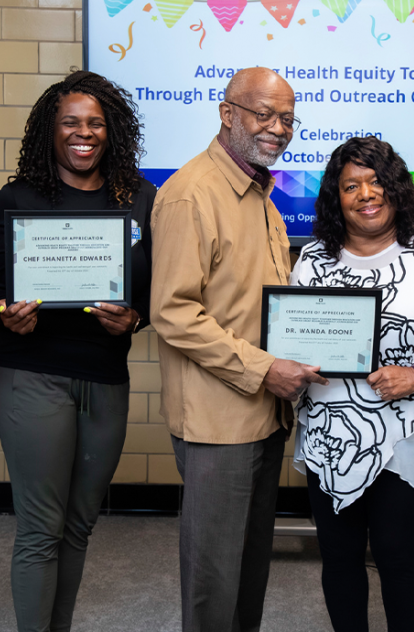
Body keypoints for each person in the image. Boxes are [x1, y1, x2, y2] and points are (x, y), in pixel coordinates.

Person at [0, 71, 155, 632]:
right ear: (49, 132)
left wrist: (135, 316)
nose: (83, 133)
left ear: (112, 131)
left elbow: (154, 286)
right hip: (32, 374)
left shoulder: (141, 197)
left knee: (79, 524)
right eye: (70, 122)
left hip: (105, 377)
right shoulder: (17, 197)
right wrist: (6, 312)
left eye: (95, 123)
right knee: (40, 526)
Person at [150, 67, 328, 632]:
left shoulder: (261, 196)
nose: (277, 129)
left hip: (264, 415)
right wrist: (264, 367)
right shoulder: (191, 195)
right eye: (263, 114)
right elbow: (173, 312)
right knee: (214, 579)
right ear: (228, 114)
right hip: (217, 422)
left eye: (287, 119)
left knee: (250, 568)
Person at [292, 136, 414, 631]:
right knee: (338, 559)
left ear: (397, 187)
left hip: (405, 434)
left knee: (399, 557)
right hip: (330, 435)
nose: (366, 194)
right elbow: (291, 337)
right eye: (351, 185)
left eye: (377, 181)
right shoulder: (314, 260)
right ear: (335, 198)